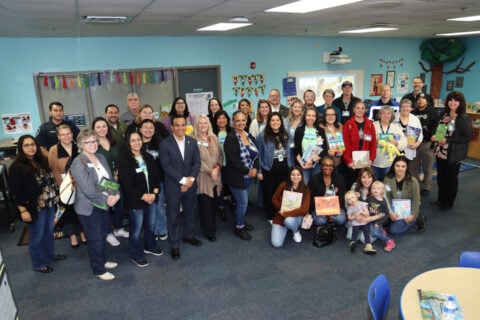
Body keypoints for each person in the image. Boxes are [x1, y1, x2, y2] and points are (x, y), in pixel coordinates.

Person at [9, 135, 67, 273]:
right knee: (37, 236)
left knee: (48, 232)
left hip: (50, 204)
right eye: (26, 145)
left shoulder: (40, 161)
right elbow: (15, 191)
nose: (31, 147)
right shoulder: (17, 167)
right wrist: (23, 210)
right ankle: (39, 263)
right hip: (35, 207)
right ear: (21, 148)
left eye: (33, 144)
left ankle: (50, 255)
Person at [71, 129, 120, 280]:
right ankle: (98, 269)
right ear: (81, 144)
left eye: (94, 141)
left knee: (103, 233)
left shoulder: (100, 157)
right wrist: (107, 200)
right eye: (88, 142)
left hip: (104, 204)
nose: (92, 144)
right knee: (96, 238)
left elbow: (108, 180)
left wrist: (115, 194)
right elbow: (89, 190)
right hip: (89, 207)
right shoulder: (78, 163)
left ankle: (103, 261)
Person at [159, 115, 201, 260]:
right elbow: (166, 166)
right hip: (173, 186)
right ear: (171, 127)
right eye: (177, 125)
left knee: (190, 211)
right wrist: (183, 180)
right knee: (173, 216)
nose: (180, 128)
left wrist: (190, 180)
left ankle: (188, 235)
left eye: (183, 125)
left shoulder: (192, 142)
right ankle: (174, 245)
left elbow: (196, 163)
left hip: (190, 184)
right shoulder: (164, 144)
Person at [118, 131, 163, 267]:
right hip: (135, 201)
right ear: (128, 143)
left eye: (138, 139)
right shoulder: (124, 160)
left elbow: (157, 177)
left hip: (152, 198)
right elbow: (127, 185)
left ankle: (150, 246)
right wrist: (144, 196)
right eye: (133, 140)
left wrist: (154, 194)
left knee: (151, 224)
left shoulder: (148, 157)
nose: (136, 142)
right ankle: (136, 254)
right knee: (136, 230)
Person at [431, 91, 473, 210]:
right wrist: (435, 136)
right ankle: (441, 199)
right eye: (450, 100)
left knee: (451, 179)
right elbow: (438, 128)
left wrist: (447, 140)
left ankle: (448, 202)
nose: (453, 103)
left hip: (453, 153)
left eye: (456, 100)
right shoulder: (444, 114)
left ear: (460, 103)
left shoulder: (463, 117)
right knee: (441, 178)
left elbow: (467, 136)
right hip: (440, 151)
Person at [48, 125, 86, 248]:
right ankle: (72, 236)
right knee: (67, 211)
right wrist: (63, 188)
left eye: (68, 133)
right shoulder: (54, 150)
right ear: (58, 136)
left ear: (72, 134)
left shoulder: (79, 146)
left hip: (80, 183)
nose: (66, 136)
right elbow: (54, 171)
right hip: (64, 185)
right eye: (63, 134)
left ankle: (82, 232)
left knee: (80, 209)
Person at [92, 117, 128, 247]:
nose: (102, 129)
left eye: (104, 126)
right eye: (98, 127)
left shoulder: (114, 142)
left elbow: (120, 160)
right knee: (106, 208)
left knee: (120, 205)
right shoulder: (93, 145)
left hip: (116, 180)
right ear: (94, 129)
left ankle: (118, 229)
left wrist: (117, 173)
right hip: (102, 182)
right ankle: (108, 233)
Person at [224, 110, 259, 241]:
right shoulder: (231, 138)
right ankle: (239, 227)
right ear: (233, 122)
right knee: (243, 203)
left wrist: (255, 168)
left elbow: (256, 155)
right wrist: (248, 171)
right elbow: (233, 161)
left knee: (242, 203)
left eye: (243, 120)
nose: (240, 123)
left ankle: (241, 221)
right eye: (237, 120)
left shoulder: (249, 135)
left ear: (246, 121)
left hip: (249, 177)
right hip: (237, 177)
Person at [192, 115, 223, 241]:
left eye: (205, 123)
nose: (203, 125)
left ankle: (211, 225)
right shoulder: (192, 140)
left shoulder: (214, 137)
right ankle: (208, 231)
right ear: (196, 125)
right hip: (203, 177)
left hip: (216, 176)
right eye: (200, 123)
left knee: (214, 203)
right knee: (205, 205)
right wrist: (210, 171)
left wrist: (217, 169)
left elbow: (220, 155)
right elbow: (195, 160)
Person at [257, 112, 292, 223]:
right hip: (269, 169)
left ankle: (283, 213)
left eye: (277, 120)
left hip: (285, 168)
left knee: (284, 192)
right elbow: (258, 154)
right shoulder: (262, 136)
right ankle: (271, 216)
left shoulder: (287, 134)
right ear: (269, 122)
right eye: (272, 120)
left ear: (281, 122)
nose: (275, 122)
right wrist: (259, 171)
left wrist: (293, 166)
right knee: (270, 193)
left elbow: (292, 150)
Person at [139, 119, 168, 240]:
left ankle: (161, 229)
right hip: (142, 182)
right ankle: (152, 231)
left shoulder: (161, 143)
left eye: (151, 127)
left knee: (159, 206)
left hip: (158, 181)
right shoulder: (136, 143)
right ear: (140, 129)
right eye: (145, 127)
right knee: (147, 208)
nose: (148, 130)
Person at [308, 155, 347, 247]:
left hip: (334, 207)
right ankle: (326, 225)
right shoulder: (314, 178)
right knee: (320, 220)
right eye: (325, 165)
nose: (327, 168)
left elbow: (341, 197)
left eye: (330, 166)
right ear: (321, 166)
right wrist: (322, 210)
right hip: (319, 208)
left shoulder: (339, 178)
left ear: (333, 167)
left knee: (341, 219)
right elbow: (310, 197)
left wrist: (332, 211)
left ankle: (328, 224)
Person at [384, 155, 427, 235]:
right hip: (393, 207)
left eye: (403, 166)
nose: (400, 169)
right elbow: (386, 197)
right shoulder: (387, 179)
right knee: (382, 221)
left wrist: (413, 214)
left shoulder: (413, 181)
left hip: (408, 209)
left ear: (407, 167)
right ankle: (393, 220)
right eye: (397, 166)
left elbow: (416, 200)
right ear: (393, 166)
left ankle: (417, 219)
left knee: (394, 231)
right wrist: (390, 212)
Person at [271, 166, 311, 248]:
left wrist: (286, 213)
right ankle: (288, 227)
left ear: (302, 176)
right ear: (289, 176)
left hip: (297, 217)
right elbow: (274, 199)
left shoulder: (306, 189)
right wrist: (281, 209)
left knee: (289, 220)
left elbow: (304, 210)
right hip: (281, 216)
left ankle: (295, 231)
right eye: (293, 174)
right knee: (276, 244)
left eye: (298, 174)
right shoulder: (283, 185)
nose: (295, 177)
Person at [342, 100, 377, 189]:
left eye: (362, 108)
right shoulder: (348, 124)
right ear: (353, 109)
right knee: (353, 187)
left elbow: (373, 144)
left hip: (366, 162)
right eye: (358, 108)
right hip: (352, 163)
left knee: (365, 187)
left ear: (365, 110)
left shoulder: (370, 124)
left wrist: (371, 159)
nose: (360, 110)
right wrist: (349, 161)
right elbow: (346, 144)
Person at [410, 95, 438, 196]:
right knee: (413, 167)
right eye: (418, 99)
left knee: (428, 167)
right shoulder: (412, 113)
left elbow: (437, 126)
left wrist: (434, 136)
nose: (420, 101)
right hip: (414, 144)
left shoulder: (433, 112)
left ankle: (426, 186)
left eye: (423, 99)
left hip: (427, 143)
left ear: (426, 101)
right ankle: (415, 185)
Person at [293, 107, 328, 185]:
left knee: (316, 186)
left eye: (313, 115)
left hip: (316, 164)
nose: (310, 118)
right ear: (305, 117)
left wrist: (313, 160)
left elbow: (324, 149)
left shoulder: (320, 131)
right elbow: (295, 149)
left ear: (316, 118)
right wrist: (302, 164)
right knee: (304, 186)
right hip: (303, 165)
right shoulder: (299, 130)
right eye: (308, 115)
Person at [372, 106, 407, 181]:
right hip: (374, 162)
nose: (386, 115)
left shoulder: (395, 128)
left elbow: (404, 140)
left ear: (391, 116)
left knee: (388, 185)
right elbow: (367, 140)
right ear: (379, 115)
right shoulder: (373, 125)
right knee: (375, 185)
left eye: (388, 113)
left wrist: (397, 143)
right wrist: (374, 142)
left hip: (390, 163)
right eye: (383, 113)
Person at [213, 110, 233, 221]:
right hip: (218, 165)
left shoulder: (232, 132)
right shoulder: (212, 134)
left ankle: (233, 205)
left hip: (230, 165)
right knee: (219, 187)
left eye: (224, 118)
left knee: (231, 186)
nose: (222, 120)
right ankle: (221, 207)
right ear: (215, 121)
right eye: (219, 118)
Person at [367, 181, 396, 252]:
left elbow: (386, 214)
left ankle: (389, 241)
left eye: (378, 188)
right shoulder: (370, 198)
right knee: (372, 233)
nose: (375, 190)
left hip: (378, 220)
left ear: (382, 191)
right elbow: (365, 205)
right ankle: (382, 231)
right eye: (373, 188)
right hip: (370, 219)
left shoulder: (383, 201)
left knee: (376, 233)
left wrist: (379, 223)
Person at [284, 98, 305, 165]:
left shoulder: (305, 122)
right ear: (291, 108)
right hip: (288, 152)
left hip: (301, 152)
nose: (297, 109)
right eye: (295, 107)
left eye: (299, 107)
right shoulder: (285, 121)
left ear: (302, 109)